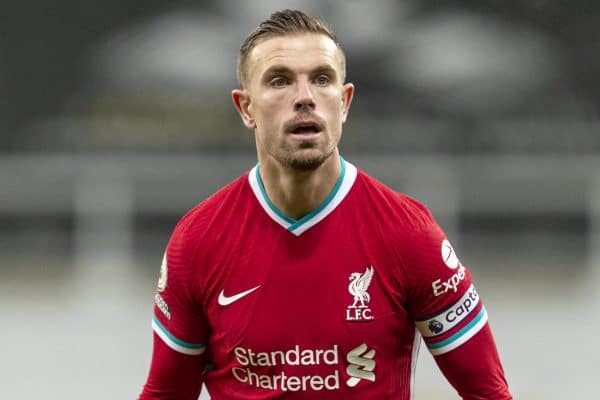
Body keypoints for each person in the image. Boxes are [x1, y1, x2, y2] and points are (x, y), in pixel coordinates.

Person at [138, 9, 512, 399]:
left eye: (321, 79)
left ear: (345, 101)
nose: (304, 98)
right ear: (246, 108)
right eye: (280, 81)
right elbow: (167, 392)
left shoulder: (408, 234)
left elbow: (488, 393)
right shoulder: (198, 240)